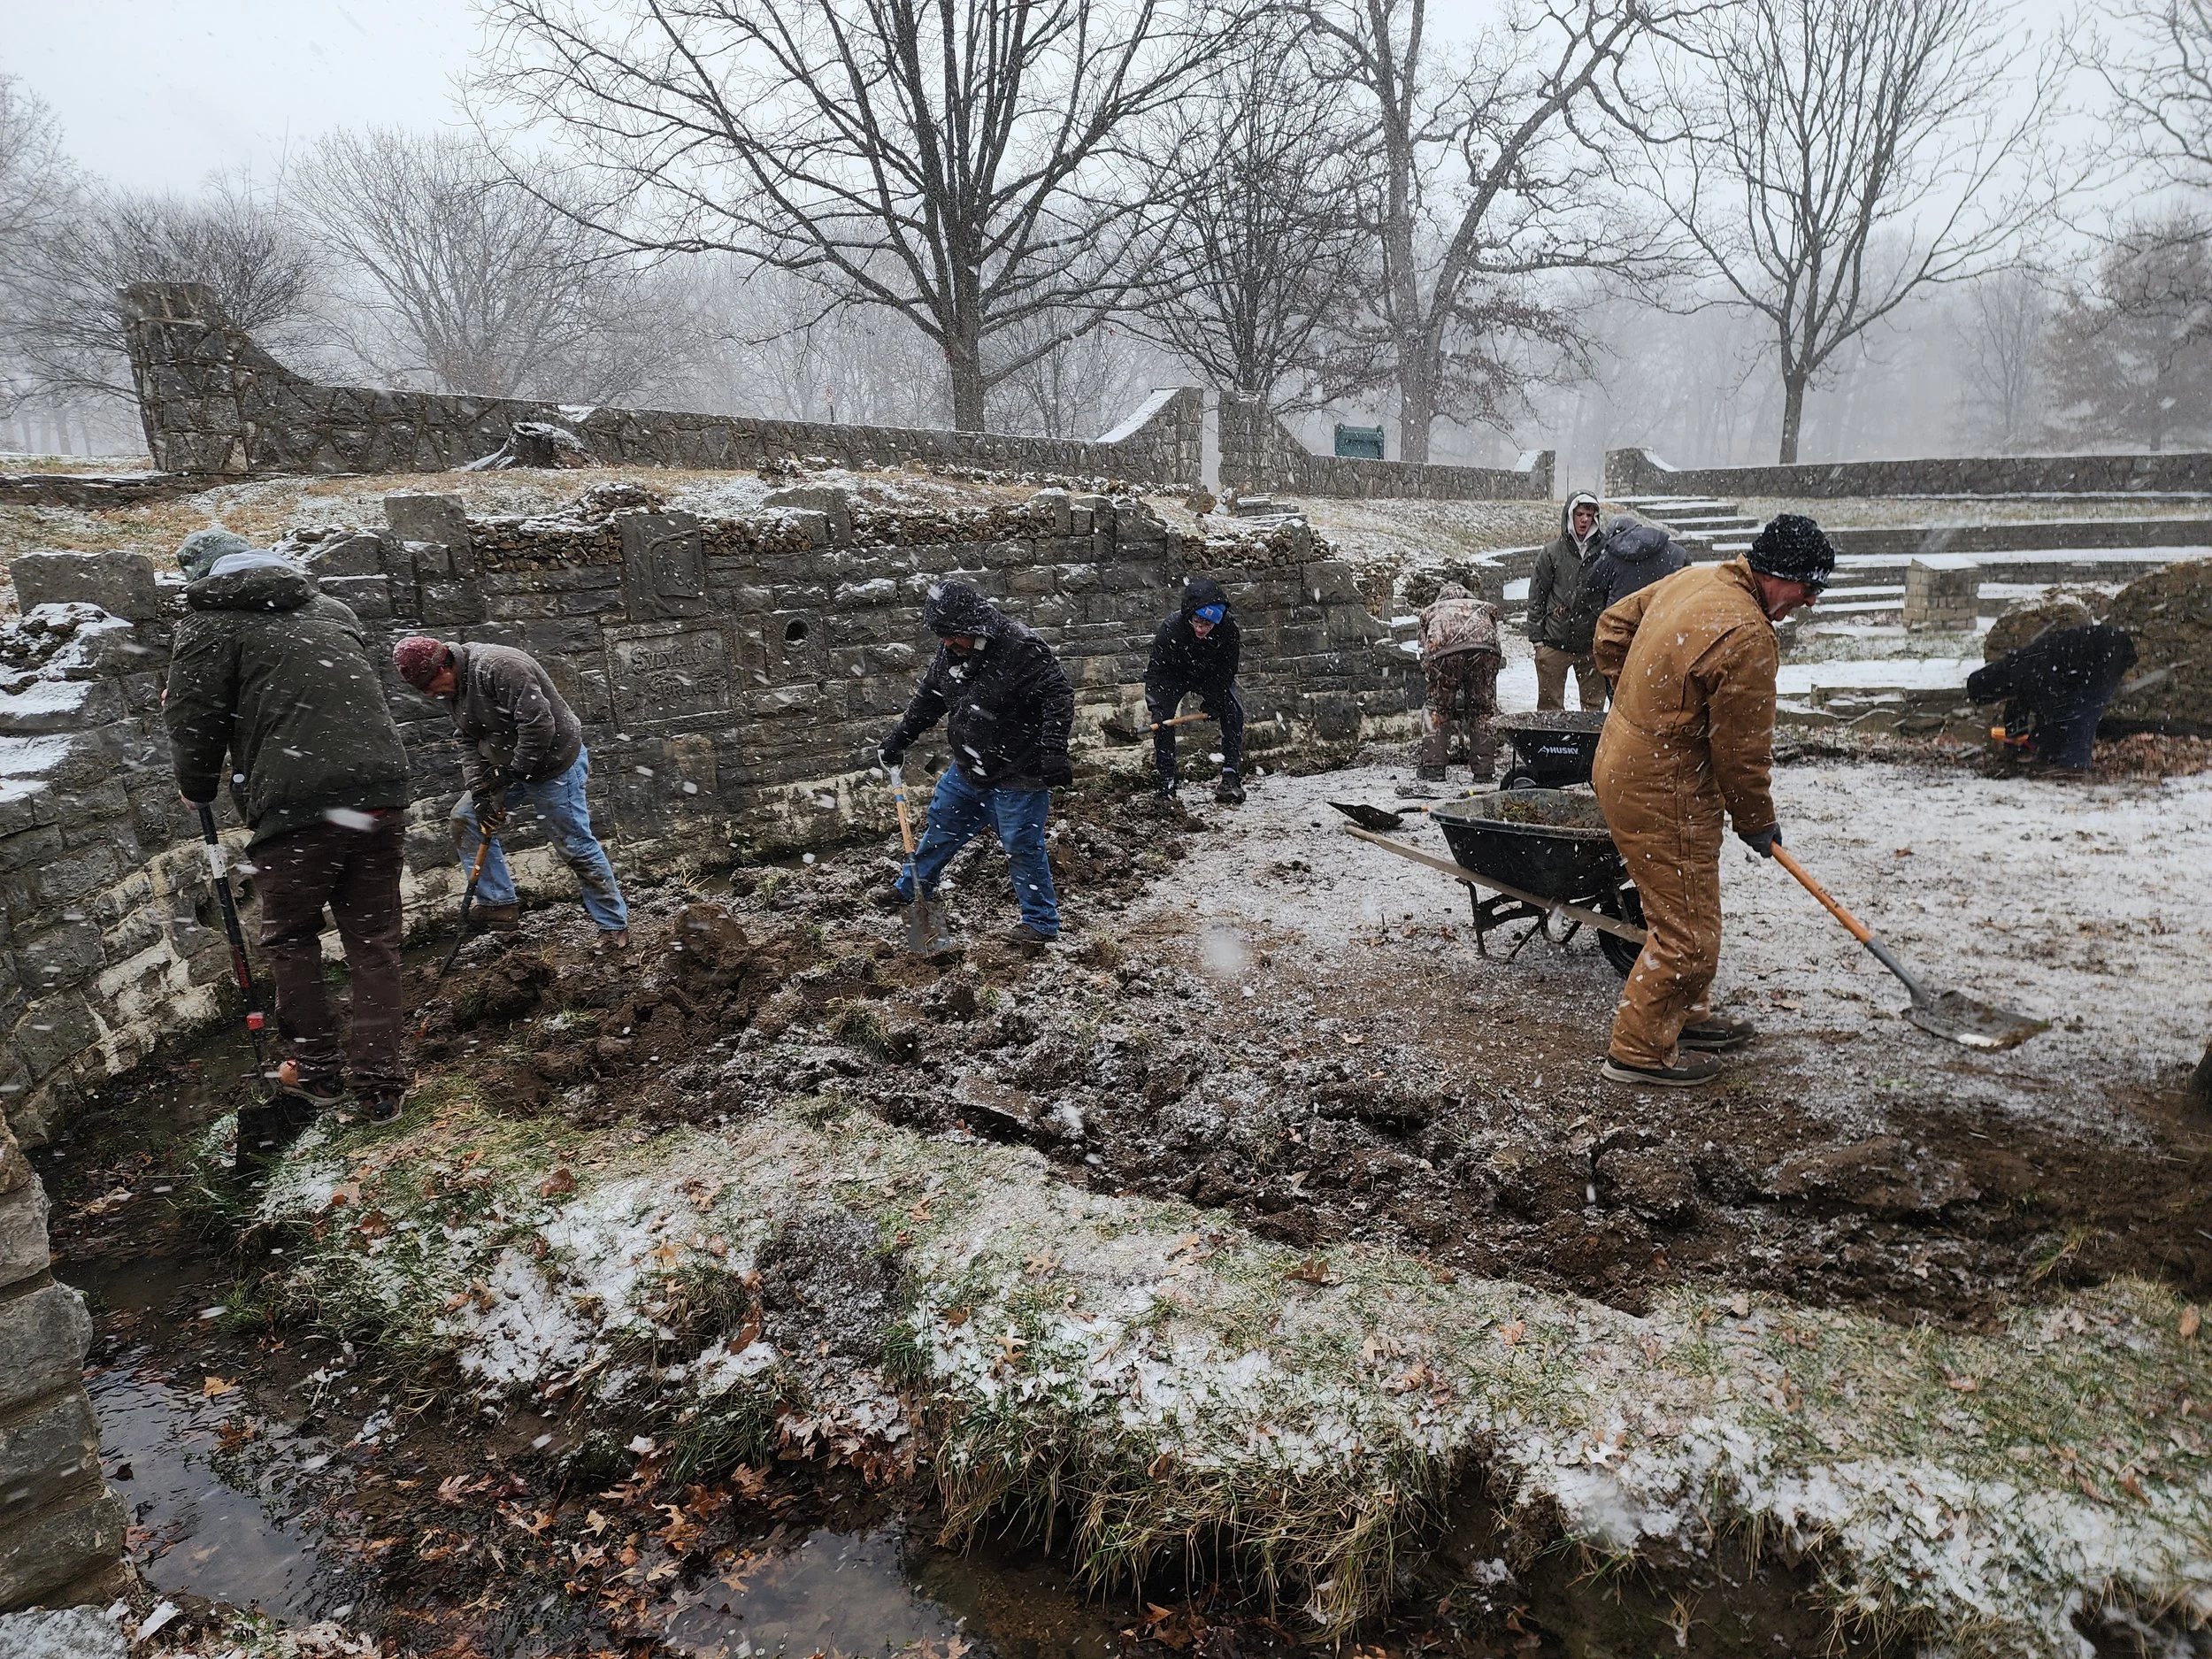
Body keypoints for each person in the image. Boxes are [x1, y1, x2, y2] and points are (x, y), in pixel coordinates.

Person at [163, 531, 415, 1126]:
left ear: (204, 576)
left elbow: (192, 721)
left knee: (292, 937)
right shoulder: (332, 609)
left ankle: (318, 1070)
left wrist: (196, 786)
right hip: (377, 795)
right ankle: (381, 1086)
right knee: (374, 938)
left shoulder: (210, 624)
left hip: (299, 804)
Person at [1589, 514, 1835, 1088]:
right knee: (1690, 933)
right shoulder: (1747, 635)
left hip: (1624, 765)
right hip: (1663, 786)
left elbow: (1610, 627)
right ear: (1778, 575)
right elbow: (1741, 751)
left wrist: (1641, 697)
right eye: (1808, 586)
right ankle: (1639, 1051)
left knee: (1687, 902)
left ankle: (1685, 1017)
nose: (1813, 601)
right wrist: (1757, 820)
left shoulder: (1698, 578)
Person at [390, 636, 629, 948]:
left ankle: (613, 927)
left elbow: (539, 725)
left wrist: (514, 772)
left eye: (429, 684)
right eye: (421, 689)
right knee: (466, 819)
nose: (430, 693)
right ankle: (498, 905)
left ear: (446, 663)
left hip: (553, 762)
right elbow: (465, 737)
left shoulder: (498, 667)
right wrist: (479, 790)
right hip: (507, 765)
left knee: (575, 846)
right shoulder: (455, 687)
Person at [877, 580, 1075, 951]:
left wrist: (1053, 751)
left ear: (975, 627)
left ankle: (1040, 924)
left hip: (1019, 770)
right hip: (969, 766)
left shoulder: (1021, 647)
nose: (948, 644)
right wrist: (900, 738)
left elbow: (1058, 695)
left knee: (1021, 847)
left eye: (954, 636)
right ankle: (911, 889)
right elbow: (930, 697)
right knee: (940, 829)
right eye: (944, 637)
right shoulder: (951, 653)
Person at [1966, 622, 2137, 771]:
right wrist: (2013, 743)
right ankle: (2052, 758)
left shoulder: (2029, 677)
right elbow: (2016, 712)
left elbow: (2053, 714)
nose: (1999, 703)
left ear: (1995, 692)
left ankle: (2073, 767)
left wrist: (2032, 743)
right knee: (2070, 712)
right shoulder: (2013, 673)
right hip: (2088, 657)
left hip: (2108, 652)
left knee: (2081, 711)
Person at [1144, 575, 1245, 805]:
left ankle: (1230, 778)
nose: (1201, 629)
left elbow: (1228, 669)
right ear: (1189, 615)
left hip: (1209, 674)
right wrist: (1157, 705)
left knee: (1233, 712)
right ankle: (1166, 786)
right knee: (1163, 723)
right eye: (1197, 621)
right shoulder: (1172, 629)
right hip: (1172, 674)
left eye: (1207, 624)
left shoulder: (1227, 629)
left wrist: (1216, 699)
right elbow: (1156, 673)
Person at [1560, 519, 1693, 685]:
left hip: (1622, 630)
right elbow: (1689, 590)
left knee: (1621, 689)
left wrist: (1602, 613)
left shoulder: (1611, 556)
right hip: (1665, 630)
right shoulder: (1677, 553)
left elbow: (1590, 587)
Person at [1415, 580, 1503, 784]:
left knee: (1437, 706)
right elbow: (1493, 636)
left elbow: (1423, 649)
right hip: (1485, 649)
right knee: (1483, 709)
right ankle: (1484, 771)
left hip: (1443, 652)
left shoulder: (1430, 611)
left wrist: (1437, 682)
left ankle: (1434, 768)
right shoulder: (1485, 607)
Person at [1527, 491, 1607, 710]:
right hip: (1554, 640)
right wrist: (1538, 641)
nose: (1584, 520)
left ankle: (1590, 746)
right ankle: (1549, 745)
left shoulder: (1604, 552)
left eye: (1589, 515)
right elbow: (1537, 596)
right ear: (1570, 516)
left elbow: (1611, 593)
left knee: (1594, 710)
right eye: (1579, 514)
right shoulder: (1551, 553)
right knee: (1549, 709)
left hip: (1590, 642)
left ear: (1595, 517)